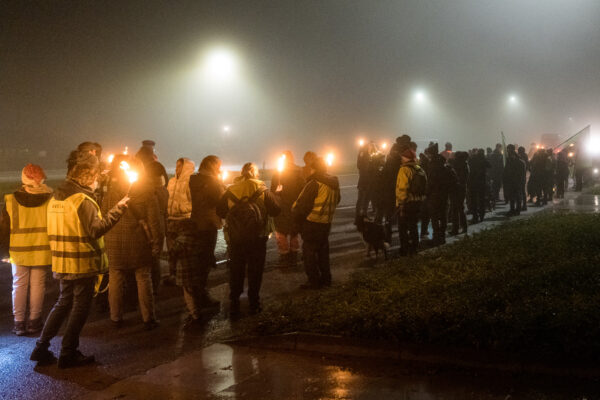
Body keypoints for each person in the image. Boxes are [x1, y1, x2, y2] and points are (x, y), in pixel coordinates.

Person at [30, 153, 128, 368]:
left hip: (62, 261)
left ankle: (41, 347)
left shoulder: (56, 196)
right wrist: (118, 209)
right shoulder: (82, 200)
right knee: (80, 308)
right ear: (86, 178)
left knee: (62, 303)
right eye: (94, 179)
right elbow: (96, 230)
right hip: (82, 262)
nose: (96, 183)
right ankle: (68, 352)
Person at [102, 155, 161, 330]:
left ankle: (115, 317)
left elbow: (105, 214)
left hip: (114, 240)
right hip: (138, 241)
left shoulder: (110, 191)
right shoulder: (146, 192)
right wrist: (157, 242)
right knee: (143, 278)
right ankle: (148, 317)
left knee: (115, 278)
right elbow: (154, 221)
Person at [217, 163, 280, 316]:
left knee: (236, 270)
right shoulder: (262, 189)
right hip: (258, 238)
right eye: (257, 171)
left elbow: (220, 211)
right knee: (255, 270)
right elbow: (276, 210)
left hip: (236, 238)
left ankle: (234, 303)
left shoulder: (231, 189)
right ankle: (254, 302)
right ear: (253, 173)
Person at [0, 164, 53, 336]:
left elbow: (4, 228)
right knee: (38, 286)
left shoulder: (10, 199)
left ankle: (19, 323)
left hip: (18, 250)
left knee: (18, 286)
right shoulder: (50, 197)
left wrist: (4, 252)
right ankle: (34, 322)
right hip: (42, 248)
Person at [184, 155, 226, 325]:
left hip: (191, 225)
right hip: (207, 226)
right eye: (218, 166)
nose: (219, 169)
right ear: (211, 165)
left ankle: (196, 296)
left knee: (194, 263)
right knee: (205, 261)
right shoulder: (213, 182)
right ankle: (201, 296)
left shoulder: (191, 179)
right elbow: (221, 203)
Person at [292, 157, 340, 289]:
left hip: (312, 224)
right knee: (323, 253)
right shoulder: (334, 182)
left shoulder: (314, 183)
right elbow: (338, 200)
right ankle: (326, 279)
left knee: (309, 254)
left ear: (314, 169)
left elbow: (302, 206)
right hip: (326, 223)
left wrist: (296, 220)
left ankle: (313, 281)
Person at [270, 151, 305, 267]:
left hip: (281, 206)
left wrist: (277, 191)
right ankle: (294, 255)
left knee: (281, 232)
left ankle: (284, 256)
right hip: (295, 206)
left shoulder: (279, 173)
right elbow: (303, 190)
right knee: (294, 232)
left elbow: (272, 191)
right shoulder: (299, 172)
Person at [165, 158, 196, 285]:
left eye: (180, 166)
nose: (177, 169)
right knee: (171, 251)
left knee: (182, 252)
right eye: (176, 166)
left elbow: (194, 201)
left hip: (184, 221)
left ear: (186, 167)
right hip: (171, 220)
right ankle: (172, 275)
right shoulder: (171, 181)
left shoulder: (191, 182)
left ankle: (182, 278)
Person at [395, 148, 426, 256]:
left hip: (406, 203)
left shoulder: (404, 170)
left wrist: (401, 204)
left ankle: (404, 249)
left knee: (403, 228)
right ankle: (415, 247)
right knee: (413, 226)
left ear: (405, 158)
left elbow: (402, 188)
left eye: (402, 157)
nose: (401, 159)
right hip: (418, 203)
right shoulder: (419, 169)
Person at [426, 143, 456, 245]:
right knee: (443, 216)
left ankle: (436, 236)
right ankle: (442, 236)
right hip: (444, 195)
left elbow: (429, 183)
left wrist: (427, 193)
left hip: (434, 196)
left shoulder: (431, 167)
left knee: (434, 217)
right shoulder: (446, 167)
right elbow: (454, 181)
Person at [467, 149, 490, 223]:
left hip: (473, 182)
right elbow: (490, 165)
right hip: (482, 183)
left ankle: (475, 216)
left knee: (473, 200)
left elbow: (469, 166)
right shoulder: (483, 160)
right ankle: (482, 215)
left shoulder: (473, 159)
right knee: (481, 200)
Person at [503, 144, 526, 216]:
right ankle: (512, 209)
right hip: (512, 181)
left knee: (517, 196)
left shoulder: (519, 162)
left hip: (517, 181)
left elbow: (521, 173)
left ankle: (517, 210)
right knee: (512, 196)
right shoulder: (510, 160)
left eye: (508, 149)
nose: (507, 151)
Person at [449, 151, 469, 235]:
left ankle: (455, 228)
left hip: (455, 188)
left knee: (454, 209)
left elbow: (452, 177)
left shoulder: (455, 165)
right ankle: (464, 227)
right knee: (461, 208)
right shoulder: (466, 165)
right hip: (463, 188)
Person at [517, 146, 529, 211]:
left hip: (520, 177)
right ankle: (524, 205)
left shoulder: (521, 159)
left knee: (521, 191)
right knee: (523, 191)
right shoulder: (525, 157)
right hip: (523, 176)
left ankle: (523, 205)